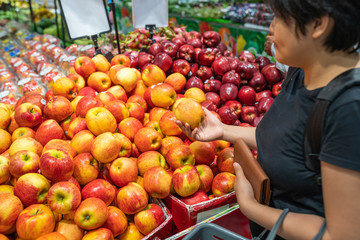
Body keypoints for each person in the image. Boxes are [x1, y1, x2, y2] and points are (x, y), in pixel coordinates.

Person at [176, 0, 360, 239]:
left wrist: (252, 208)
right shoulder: (302, 72)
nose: (270, 28)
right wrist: (222, 130)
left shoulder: (348, 107)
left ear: (318, 25)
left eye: (280, 17)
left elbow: (342, 234)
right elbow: (291, 142)